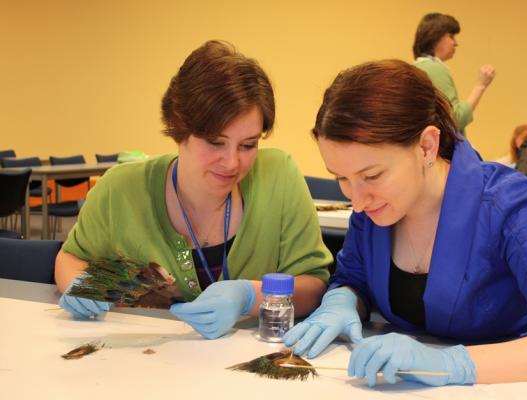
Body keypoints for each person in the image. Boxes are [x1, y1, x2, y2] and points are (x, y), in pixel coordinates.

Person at [283, 59, 527, 387]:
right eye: (342, 179)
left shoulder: (512, 206)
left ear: (426, 146)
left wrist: (449, 363)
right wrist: (344, 298)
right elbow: (354, 278)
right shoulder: (374, 209)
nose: (358, 201)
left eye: (372, 175)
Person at [55, 40, 332, 339]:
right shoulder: (120, 189)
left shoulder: (278, 176)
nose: (232, 162)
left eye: (249, 145)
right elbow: (71, 257)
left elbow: (314, 284)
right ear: (178, 128)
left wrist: (250, 296)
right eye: (215, 142)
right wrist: (81, 285)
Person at [413, 13, 495, 135]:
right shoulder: (433, 68)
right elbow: (453, 120)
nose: (455, 43)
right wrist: (480, 86)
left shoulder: (418, 67)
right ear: (435, 37)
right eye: (451, 36)